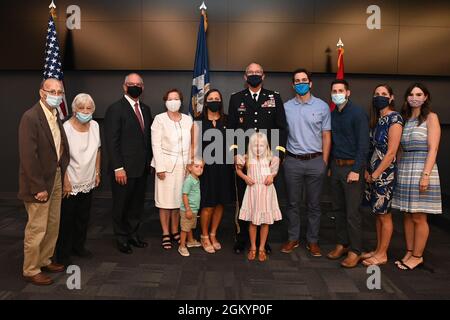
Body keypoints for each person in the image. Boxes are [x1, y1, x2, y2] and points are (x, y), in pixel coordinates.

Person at [228, 62, 287, 255]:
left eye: (258, 72)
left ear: (264, 76)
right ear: (245, 77)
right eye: (250, 72)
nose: (254, 75)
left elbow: (281, 128)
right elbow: (231, 129)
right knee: (244, 199)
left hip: (266, 160)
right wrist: (235, 153)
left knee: (264, 199)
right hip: (245, 160)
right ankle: (242, 237)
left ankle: (263, 242)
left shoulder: (274, 97)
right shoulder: (236, 98)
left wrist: (277, 155)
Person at [18, 78, 70, 285]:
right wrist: (38, 187)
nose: (56, 95)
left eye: (59, 92)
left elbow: (60, 148)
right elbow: (28, 156)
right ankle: (31, 269)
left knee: (52, 224)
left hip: (55, 177)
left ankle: (45, 259)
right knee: (37, 227)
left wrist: (63, 175)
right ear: (42, 92)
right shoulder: (30, 117)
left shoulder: (55, 116)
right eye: (52, 91)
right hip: (38, 182)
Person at [392, 83, 442, 271]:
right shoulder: (404, 119)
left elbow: (433, 148)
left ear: (426, 97)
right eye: (411, 94)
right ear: (406, 98)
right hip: (405, 167)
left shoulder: (431, 117)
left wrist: (426, 175)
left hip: (423, 167)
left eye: (419, 94)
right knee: (407, 214)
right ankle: (409, 251)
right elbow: (399, 148)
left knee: (419, 217)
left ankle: (417, 256)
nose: (415, 97)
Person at [281, 68, 331, 257]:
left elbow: (326, 135)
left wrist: (324, 161)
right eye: (297, 81)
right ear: (293, 85)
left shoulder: (322, 106)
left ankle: (313, 241)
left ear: (310, 83)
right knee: (293, 204)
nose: (301, 83)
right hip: (292, 161)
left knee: (314, 205)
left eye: (304, 80)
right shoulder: (286, 107)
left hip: (315, 161)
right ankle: (293, 238)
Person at [104, 73, 153, 254]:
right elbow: (112, 141)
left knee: (136, 205)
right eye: (131, 84)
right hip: (123, 169)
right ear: (124, 87)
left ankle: (133, 234)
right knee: (121, 205)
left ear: (143, 87)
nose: (135, 86)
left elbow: (146, 139)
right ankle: (121, 238)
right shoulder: (115, 109)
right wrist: (118, 167)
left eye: (139, 84)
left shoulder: (146, 109)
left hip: (141, 169)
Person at [327, 79, 369, 268]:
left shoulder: (358, 113)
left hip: (352, 168)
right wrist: (330, 166)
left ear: (348, 92)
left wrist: (356, 170)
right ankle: (342, 244)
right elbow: (333, 142)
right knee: (338, 209)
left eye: (340, 90)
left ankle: (355, 251)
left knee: (352, 212)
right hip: (336, 167)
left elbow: (363, 145)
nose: (337, 93)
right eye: (334, 91)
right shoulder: (333, 114)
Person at [55, 93, 101, 266]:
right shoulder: (65, 128)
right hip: (71, 180)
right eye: (81, 108)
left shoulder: (95, 126)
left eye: (88, 108)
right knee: (67, 218)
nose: (85, 111)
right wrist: (65, 180)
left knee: (83, 216)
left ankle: (78, 247)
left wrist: (97, 172)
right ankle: (63, 253)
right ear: (74, 110)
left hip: (88, 179)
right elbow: (60, 157)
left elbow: (98, 150)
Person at [362, 84, 403, 266]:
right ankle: (378, 250)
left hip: (385, 173)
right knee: (377, 213)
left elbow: (392, 151)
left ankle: (383, 254)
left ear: (391, 97)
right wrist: (368, 170)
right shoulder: (378, 118)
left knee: (385, 214)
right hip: (373, 172)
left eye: (384, 94)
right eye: (377, 93)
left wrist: (377, 173)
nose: (380, 96)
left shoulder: (395, 118)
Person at [192, 89, 234, 254]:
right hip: (206, 170)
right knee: (208, 204)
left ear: (221, 101)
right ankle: (203, 236)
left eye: (217, 98)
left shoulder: (228, 120)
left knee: (220, 203)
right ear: (206, 102)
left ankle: (213, 233)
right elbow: (193, 147)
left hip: (224, 168)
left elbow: (233, 144)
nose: (214, 101)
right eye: (211, 98)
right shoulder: (198, 121)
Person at [151, 89, 193, 250]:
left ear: (181, 101)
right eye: (170, 98)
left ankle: (175, 230)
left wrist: (190, 166)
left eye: (176, 98)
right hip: (165, 167)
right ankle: (165, 233)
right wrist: (160, 167)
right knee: (164, 202)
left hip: (183, 168)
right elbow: (156, 144)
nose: (173, 101)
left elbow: (191, 144)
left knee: (177, 202)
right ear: (165, 101)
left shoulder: (188, 120)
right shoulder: (159, 119)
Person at [236, 132, 282, 262]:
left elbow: (274, 172)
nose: (258, 148)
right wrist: (245, 178)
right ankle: (253, 247)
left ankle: (261, 248)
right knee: (253, 221)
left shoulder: (272, 158)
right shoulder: (246, 158)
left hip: (267, 192)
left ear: (266, 146)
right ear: (250, 146)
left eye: (261, 145)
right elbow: (238, 170)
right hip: (253, 192)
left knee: (265, 222)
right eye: (255, 145)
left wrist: (271, 176)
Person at [178, 160, 204, 257]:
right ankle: (182, 246)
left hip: (193, 209)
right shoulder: (189, 180)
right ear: (190, 168)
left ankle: (191, 241)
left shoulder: (196, 179)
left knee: (189, 226)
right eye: (196, 166)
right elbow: (185, 195)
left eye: (201, 167)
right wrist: (188, 209)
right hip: (187, 210)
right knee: (185, 228)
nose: (199, 169)